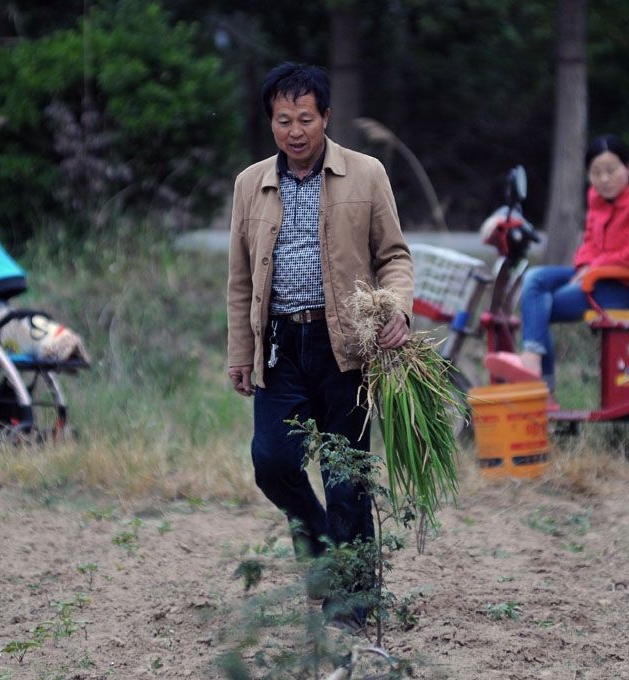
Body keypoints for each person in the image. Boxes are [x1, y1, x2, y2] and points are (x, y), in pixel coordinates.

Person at [226, 62, 413, 625]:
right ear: (271, 125)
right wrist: (240, 351)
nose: (295, 131)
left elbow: (395, 257)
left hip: (347, 350)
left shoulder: (366, 173)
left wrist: (398, 309)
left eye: (305, 118)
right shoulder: (250, 183)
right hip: (280, 348)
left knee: (346, 477)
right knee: (272, 461)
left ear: (325, 118)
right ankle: (324, 549)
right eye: (283, 120)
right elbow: (239, 278)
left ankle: (350, 605)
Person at [517, 134, 629, 391]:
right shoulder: (596, 197)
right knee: (535, 278)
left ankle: (542, 386)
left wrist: (595, 268)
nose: (604, 179)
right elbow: (588, 240)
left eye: (611, 170)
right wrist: (587, 265)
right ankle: (533, 356)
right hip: (600, 275)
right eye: (595, 172)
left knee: (542, 307)